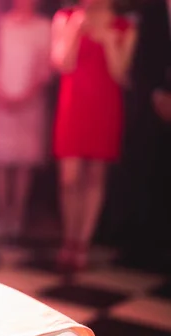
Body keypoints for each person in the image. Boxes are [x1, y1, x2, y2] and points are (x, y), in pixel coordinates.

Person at [51, 0, 137, 269]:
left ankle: (82, 245)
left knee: (95, 176)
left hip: (105, 106)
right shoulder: (65, 17)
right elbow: (62, 64)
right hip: (73, 106)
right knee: (70, 178)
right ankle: (69, 238)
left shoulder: (125, 25)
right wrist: (76, 31)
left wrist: (109, 41)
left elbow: (121, 74)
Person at [0, 0, 51, 240]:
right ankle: (1, 213)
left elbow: (47, 66)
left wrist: (27, 95)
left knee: (24, 161)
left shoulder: (44, 26)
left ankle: (18, 215)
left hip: (30, 100)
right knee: (0, 159)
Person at [113, 0, 171, 268]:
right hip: (150, 107)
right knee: (148, 172)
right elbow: (140, 63)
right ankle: (142, 246)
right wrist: (158, 94)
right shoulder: (151, 14)